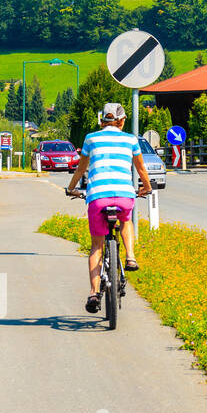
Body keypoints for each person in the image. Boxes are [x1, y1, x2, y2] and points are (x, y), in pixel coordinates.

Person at [65, 102, 152, 314]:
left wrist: (71, 188)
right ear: (122, 121)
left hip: (97, 197)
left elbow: (82, 167)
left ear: (102, 120)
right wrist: (147, 187)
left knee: (96, 245)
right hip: (124, 195)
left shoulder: (90, 138)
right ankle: (130, 256)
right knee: (126, 221)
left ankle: (94, 293)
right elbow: (140, 167)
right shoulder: (131, 139)